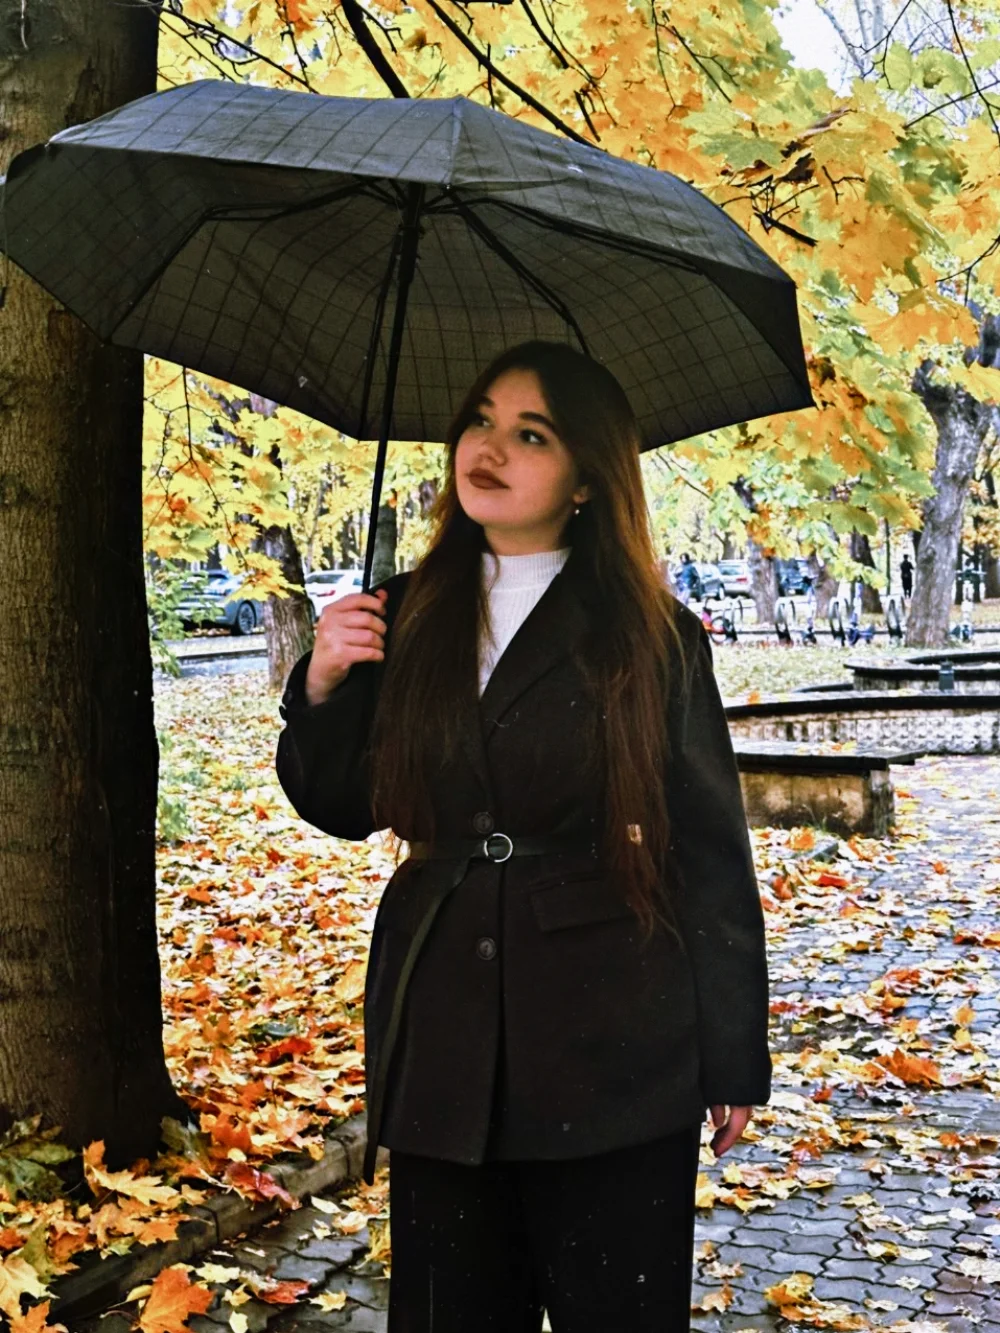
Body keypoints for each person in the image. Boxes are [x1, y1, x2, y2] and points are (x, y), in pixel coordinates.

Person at [275, 340, 771, 1332]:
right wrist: (324, 684)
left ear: (587, 477)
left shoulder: (650, 633)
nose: (490, 448)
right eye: (480, 420)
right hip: (443, 1036)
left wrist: (731, 1053)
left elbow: (709, 850)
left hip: (614, 1038)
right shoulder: (402, 615)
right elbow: (344, 803)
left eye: (531, 434)